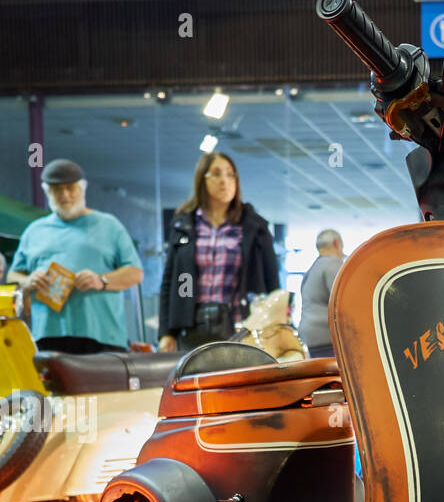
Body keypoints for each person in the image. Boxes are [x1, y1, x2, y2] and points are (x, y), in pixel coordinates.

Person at [7, 159, 143, 353]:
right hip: (47, 335)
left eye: (70, 188)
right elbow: (12, 277)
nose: (65, 195)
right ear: (47, 192)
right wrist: (28, 281)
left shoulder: (109, 226)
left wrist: (101, 280)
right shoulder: (34, 231)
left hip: (103, 336)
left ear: (82, 189)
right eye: (57, 190)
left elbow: (135, 273)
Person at [158, 151, 279, 352]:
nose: (225, 181)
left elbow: (272, 282)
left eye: (230, 174)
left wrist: (274, 326)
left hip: (242, 326)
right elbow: (171, 282)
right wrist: (166, 332)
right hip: (192, 327)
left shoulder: (254, 226)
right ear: (202, 179)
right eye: (216, 174)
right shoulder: (184, 225)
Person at [299, 228, 345, 356]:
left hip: (311, 336)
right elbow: (342, 300)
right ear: (337, 243)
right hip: (326, 335)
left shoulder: (313, 267)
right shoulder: (333, 264)